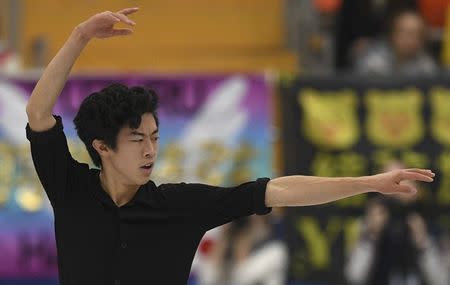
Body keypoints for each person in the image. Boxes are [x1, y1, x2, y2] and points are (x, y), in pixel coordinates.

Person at [25, 8, 436, 285]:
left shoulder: (180, 206)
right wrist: (80, 36)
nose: (150, 150)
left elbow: (278, 190)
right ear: (103, 147)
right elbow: (39, 114)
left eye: (154, 137)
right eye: (137, 140)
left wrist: (370, 183)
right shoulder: (70, 189)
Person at [345, 161, 448, 285]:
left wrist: (423, 242)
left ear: (417, 188)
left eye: (401, 181)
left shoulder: (429, 224)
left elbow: (441, 280)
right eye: (387, 180)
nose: (395, 190)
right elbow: (354, 276)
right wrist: (371, 236)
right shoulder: (366, 224)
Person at [354, 9, 438, 76]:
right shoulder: (373, 61)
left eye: (418, 34)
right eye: (407, 33)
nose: (411, 40)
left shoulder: (426, 65)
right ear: (392, 34)